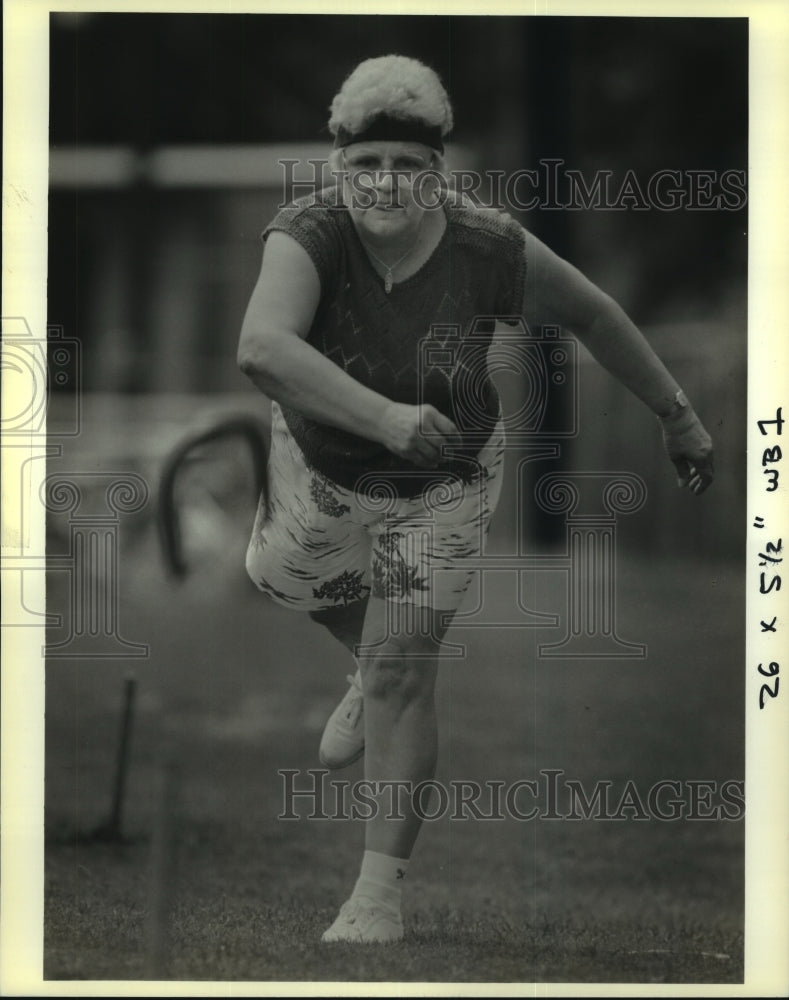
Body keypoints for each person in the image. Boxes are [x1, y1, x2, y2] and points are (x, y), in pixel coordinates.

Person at [237, 54, 714, 944]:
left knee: (402, 668)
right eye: (367, 164)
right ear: (339, 166)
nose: (386, 182)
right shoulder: (305, 232)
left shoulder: (488, 246)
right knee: (278, 579)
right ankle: (358, 659)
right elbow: (261, 348)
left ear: (437, 173)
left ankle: (377, 896)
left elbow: (597, 316)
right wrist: (382, 419)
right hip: (318, 462)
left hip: (447, 478)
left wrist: (676, 414)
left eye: (408, 166)